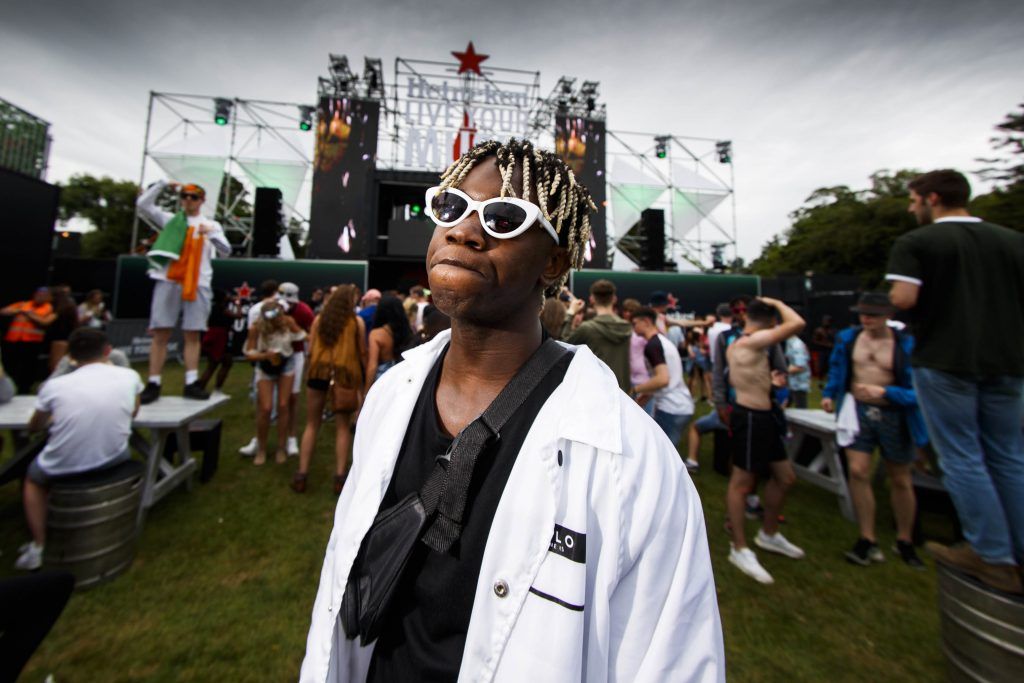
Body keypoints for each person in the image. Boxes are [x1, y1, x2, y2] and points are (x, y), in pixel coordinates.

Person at [300, 138, 723, 682]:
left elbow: (673, 664)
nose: (465, 230)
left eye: (503, 218)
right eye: (452, 208)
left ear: (554, 261)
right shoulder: (389, 395)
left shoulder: (633, 460)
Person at [887, 169, 1024, 594]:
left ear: (931, 198)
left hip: (946, 362)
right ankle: (1016, 550)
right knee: (1009, 456)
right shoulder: (1012, 241)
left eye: (913, 200)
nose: (911, 208)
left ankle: (991, 555)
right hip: (1008, 362)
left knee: (963, 456)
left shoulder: (919, 243)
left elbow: (903, 299)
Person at [14, 328, 143, 571]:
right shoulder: (130, 376)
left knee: (33, 478)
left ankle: (40, 545)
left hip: (64, 464)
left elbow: (35, 425)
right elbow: (134, 411)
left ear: (71, 356)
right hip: (116, 457)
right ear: (107, 351)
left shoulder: (54, 387)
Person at [821, 293, 927, 569]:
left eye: (873, 314)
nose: (866, 318)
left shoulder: (904, 344)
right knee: (858, 472)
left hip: (893, 413)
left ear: (888, 315)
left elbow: (919, 390)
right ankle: (867, 537)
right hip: (858, 411)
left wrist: (886, 391)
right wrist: (830, 393)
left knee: (900, 477)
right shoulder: (849, 338)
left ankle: (904, 539)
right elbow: (837, 368)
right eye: (863, 313)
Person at [724, 297, 805, 584]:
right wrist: (778, 302)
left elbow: (740, 379)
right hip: (750, 419)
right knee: (742, 484)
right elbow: (798, 323)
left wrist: (769, 382)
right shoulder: (750, 341)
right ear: (771, 321)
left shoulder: (741, 344)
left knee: (785, 478)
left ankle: (768, 533)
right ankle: (739, 547)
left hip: (765, 416)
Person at [136, 180, 231, 403]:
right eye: (185, 196)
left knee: (193, 333)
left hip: (198, 283)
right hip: (169, 279)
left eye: (194, 197)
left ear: (202, 200)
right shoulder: (171, 221)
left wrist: (212, 235)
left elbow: (226, 250)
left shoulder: (211, 225)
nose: (188, 200)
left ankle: (191, 382)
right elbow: (143, 205)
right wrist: (163, 185)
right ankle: (154, 382)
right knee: (161, 332)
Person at [294, 285, 365, 495]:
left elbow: (310, 346)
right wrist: (362, 382)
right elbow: (362, 353)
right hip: (344, 376)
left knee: (311, 423)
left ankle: (301, 474)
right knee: (343, 427)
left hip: (318, 373)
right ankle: (340, 478)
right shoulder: (356, 323)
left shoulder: (319, 320)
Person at [244, 301, 306, 466]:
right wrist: (265, 356)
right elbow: (249, 353)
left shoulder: (287, 323)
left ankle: (281, 447)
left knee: (284, 405)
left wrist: (293, 326)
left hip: (287, 363)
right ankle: (261, 448)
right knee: (265, 408)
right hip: (265, 366)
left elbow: (302, 336)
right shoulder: (256, 328)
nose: (277, 319)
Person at [630, 307, 695, 450]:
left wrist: (634, 389)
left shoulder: (653, 346)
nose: (633, 328)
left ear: (646, 322)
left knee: (662, 453)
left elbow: (663, 379)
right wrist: (646, 396)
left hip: (671, 406)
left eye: (635, 323)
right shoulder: (661, 341)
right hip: (679, 404)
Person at [561, 279, 632, 392]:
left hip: (597, 392)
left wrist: (570, 313)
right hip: (623, 393)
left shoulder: (588, 328)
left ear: (592, 299)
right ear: (614, 299)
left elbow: (564, 345)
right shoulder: (628, 327)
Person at [279, 282, 316, 457]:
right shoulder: (268, 308)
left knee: (292, 398)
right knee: (265, 402)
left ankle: (291, 437)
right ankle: (260, 438)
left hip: (295, 355)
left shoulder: (304, 311)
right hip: (272, 355)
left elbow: (312, 334)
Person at [1, 288, 54, 394]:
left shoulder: (48, 308)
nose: (40, 297)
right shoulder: (23, 304)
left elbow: (44, 322)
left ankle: (24, 389)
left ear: (48, 297)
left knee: (28, 367)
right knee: (10, 365)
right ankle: (8, 387)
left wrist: (29, 314)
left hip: (32, 342)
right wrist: (20, 310)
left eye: (44, 295)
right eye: (39, 294)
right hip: (13, 340)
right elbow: (3, 311)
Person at [364, 294, 413, 394]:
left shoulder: (376, 334)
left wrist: (366, 393)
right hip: (403, 378)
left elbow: (372, 366)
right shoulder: (408, 331)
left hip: (382, 380)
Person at [784, 333, 811, 409]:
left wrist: (781, 371)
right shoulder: (790, 342)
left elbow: (800, 366)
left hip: (798, 384)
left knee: (801, 410)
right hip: (792, 383)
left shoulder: (796, 345)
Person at [811, 315, 836, 387]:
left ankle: (830, 381)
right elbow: (815, 341)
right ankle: (820, 382)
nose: (826, 323)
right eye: (825, 321)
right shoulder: (819, 330)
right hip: (822, 351)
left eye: (827, 321)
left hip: (831, 351)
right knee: (821, 367)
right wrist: (825, 344)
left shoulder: (833, 331)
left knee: (830, 366)